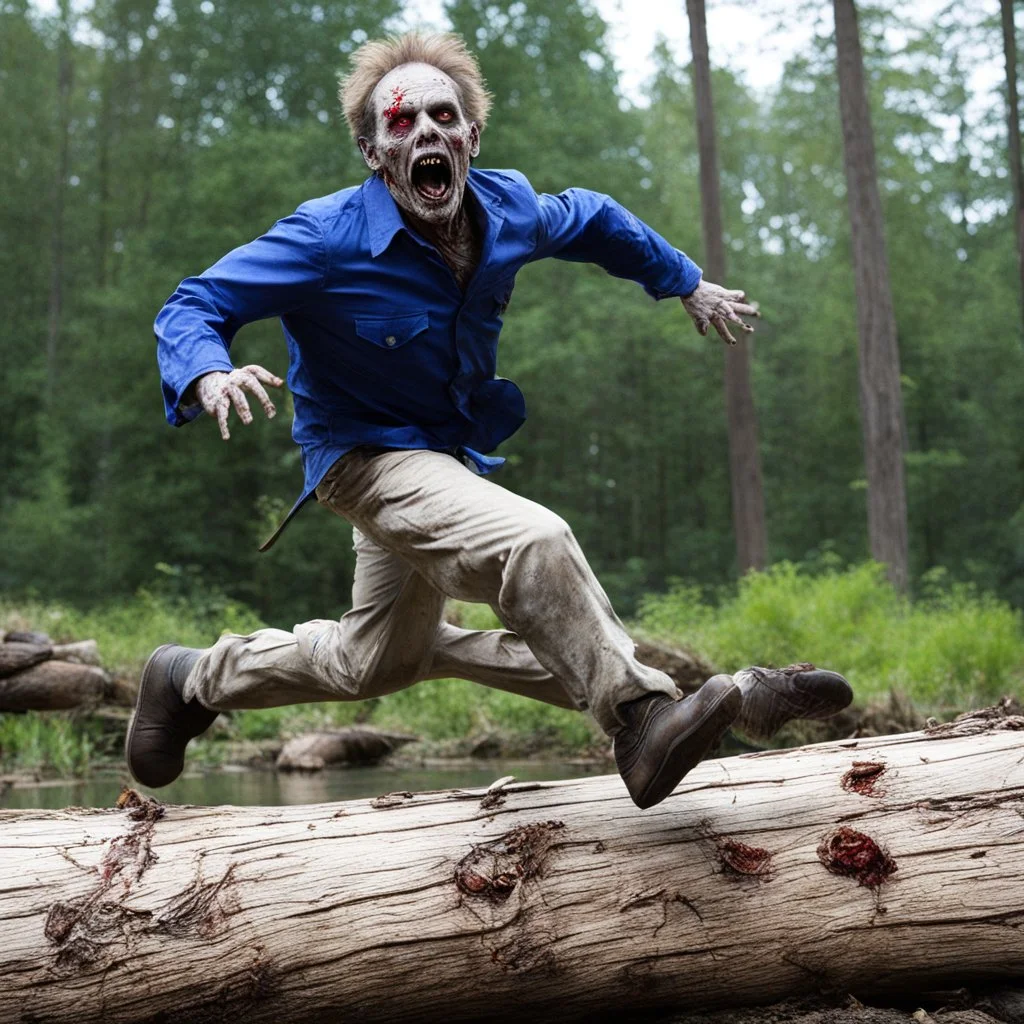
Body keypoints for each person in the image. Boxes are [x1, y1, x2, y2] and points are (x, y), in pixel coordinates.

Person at [127, 32, 851, 809]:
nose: (427, 133)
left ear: (471, 137)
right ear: (374, 152)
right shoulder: (326, 237)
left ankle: (188, 678)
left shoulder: (508, 209)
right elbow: (195, 301)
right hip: (361, 459)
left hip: (443, 456)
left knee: (376, 663)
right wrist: (206, 369)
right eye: (402, 124)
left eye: (444, 117)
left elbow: (597, 219)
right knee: (533, 541)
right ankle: (643, 721)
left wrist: (685, 282)